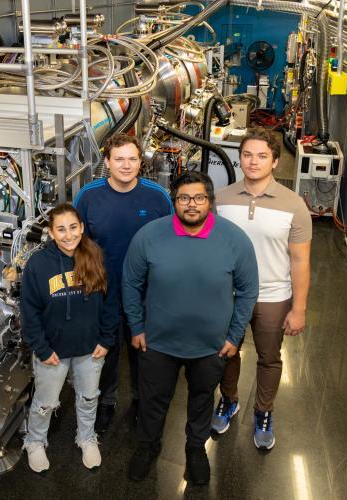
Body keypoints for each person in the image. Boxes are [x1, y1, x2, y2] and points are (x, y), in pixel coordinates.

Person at [122, 171, 259, 485]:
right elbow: (130, 282)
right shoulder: (150, 235)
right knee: (153, 399)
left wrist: (234, 335)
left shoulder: (235, 240)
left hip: (211, 345)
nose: (191, 204)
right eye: (184, 198)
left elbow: (248, 290)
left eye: (199, 197)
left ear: (210, 201)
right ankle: (148, 446)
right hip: (157, 342)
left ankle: (196, 449)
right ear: (175, 202)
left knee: (201, 398)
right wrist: (137, 326)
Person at [213, 127, 312, 450]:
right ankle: (229, 400)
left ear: (276, 161)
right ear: (239, 158)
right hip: (229, 296)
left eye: (262, 156)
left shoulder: (294, 205)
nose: (253, 162)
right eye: (247, 155)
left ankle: (263, 412)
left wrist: (298, 309)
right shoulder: (222, 199)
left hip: (273, 296)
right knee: (227, 352)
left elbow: (300, 261)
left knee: (269, 358)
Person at [74, 133, 173, 434]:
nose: (126, 165)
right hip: (103, 290)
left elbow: (169, 241)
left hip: (146, 292)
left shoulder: (157, 197)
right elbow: (77, 243)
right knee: (106, 349)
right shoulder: (88, 196)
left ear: (141, 162)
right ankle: (106, 402)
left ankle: (142, 401)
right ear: (107, 162)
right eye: (119, 159)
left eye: (132, 159)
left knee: (144, 350)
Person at [20, 204, 116, 472]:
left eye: (73, 227)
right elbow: (29, 310)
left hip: (90, 348)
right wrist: (40, 347)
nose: (68, 235)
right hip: (52, 351)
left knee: (88, 397)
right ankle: (35, 441)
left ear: (81, 228)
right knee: (45, 402)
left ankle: (86, 438)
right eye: (60, 229)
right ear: (51, 232)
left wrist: (106, 339)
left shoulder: (95, 256)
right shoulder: (38, 265)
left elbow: (110, 302)